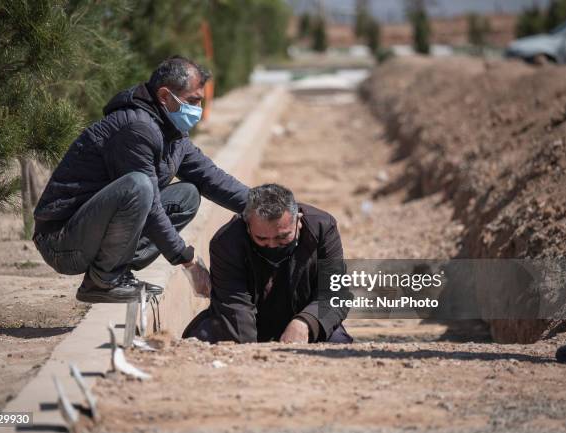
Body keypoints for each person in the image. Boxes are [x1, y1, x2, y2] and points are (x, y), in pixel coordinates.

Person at [33, 56, 248, 303]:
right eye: (192, 101)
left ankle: (117, 271)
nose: (197, 111)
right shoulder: (137, 128)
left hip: (92, 231)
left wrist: (263, 208)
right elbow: (151, 204)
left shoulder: (173, 132)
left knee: (187, 195)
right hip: (62, 242)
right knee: (139, 186)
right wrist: (187, 260)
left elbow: (211, 177)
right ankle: (103, 281)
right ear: (165, 96)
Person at [183, 183, 353, 344]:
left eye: (282, 237)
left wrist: (305, 323)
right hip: (245, 322)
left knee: (338, 345)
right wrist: (253, 352)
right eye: (261, 238)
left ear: (298, 220)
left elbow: (335, 293)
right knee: (201, 339)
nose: (271, 245)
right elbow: (234, 305)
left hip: (304, 317)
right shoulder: (227, 242)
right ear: (248, 226)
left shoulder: (322, 228)